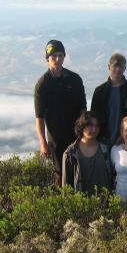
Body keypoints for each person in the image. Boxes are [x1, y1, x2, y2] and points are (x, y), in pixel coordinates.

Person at [34, 39, 86, 186]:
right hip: (55, 139)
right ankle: (62, 204)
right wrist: (43, 142)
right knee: (60, 174)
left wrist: (83, 132)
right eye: (53, 56)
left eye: (60, 55)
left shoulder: (75, 79)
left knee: (78, 171)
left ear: (64, 57)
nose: (57, 59)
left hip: (76, 135)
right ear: (47, 59)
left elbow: (83, 108)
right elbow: (39, 117)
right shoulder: (42, 85)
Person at [61, 111, 113, 193]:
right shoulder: (70, 154)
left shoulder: (107, 148)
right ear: (81, 126)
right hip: (83, 204)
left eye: (97, 126)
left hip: (108, 203)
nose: (94, 129)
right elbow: (66, 187)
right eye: (90, 125)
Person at [90, 53, 127, 147]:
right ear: (109, 67)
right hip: (103, 140)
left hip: (125, 140)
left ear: (124, 68)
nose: (118, 69)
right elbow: (93, 117)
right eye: (115, 66)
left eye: (121, 66)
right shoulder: (99, 91)